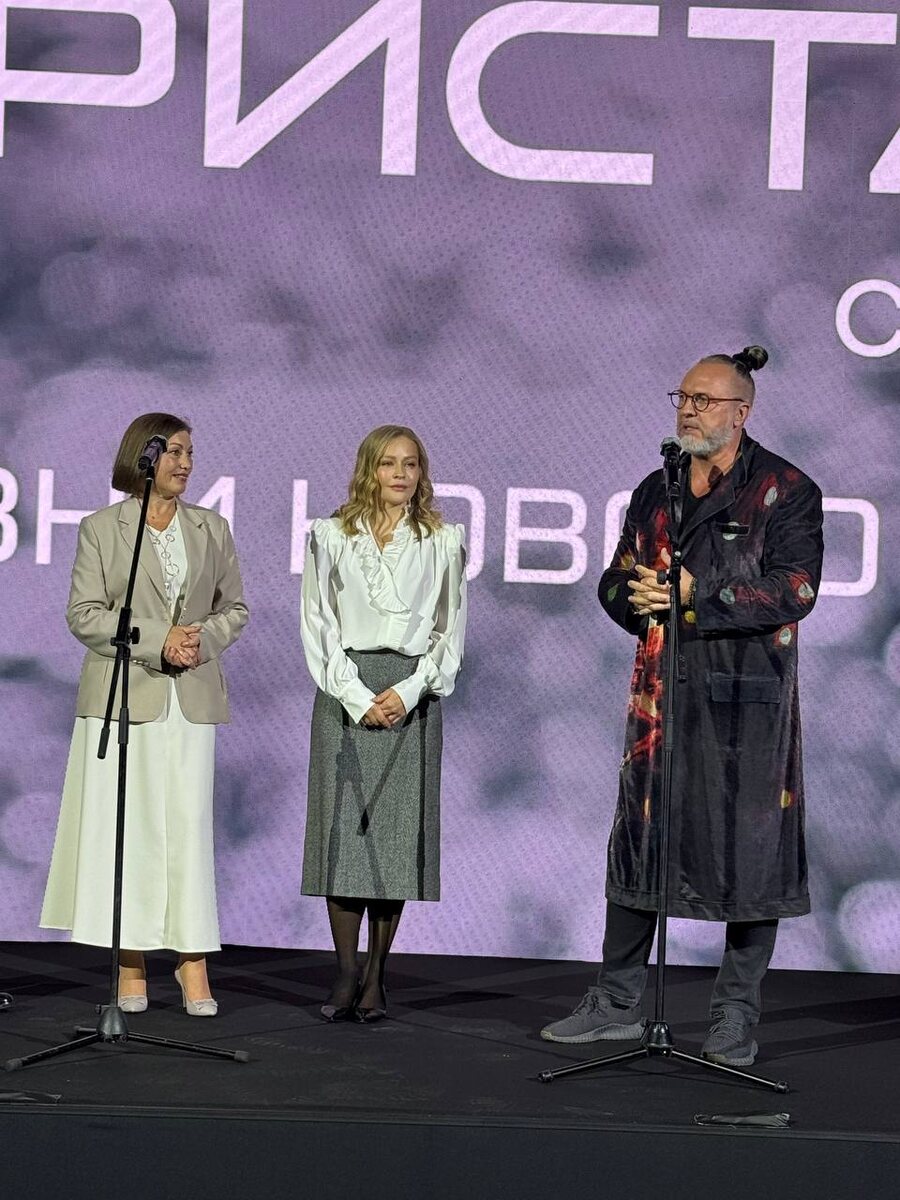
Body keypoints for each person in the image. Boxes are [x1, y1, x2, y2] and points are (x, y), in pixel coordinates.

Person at [541, 346, 824, 1065]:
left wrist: (699, 596)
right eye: (683, 398)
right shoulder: (655, 489)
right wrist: (635, 599)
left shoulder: (786, 489)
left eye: (705, 400)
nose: (689, 410)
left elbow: (796, 590)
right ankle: (616, 1003)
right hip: (661, 698)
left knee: (749, 854)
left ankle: (734, 1016)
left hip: (744, 704)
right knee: (642, 838)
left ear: (742, 411)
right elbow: (615, 578)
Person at [41, 414, 249, 1016]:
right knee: (127, 831)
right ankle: (130, 961)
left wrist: (198, 642)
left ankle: (192, 960)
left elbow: (235, 609)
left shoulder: (211, 527)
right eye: (174, 451)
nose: (185, 463)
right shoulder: (103, 529)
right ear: (145, 456)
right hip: (122, 698)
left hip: (191, 697)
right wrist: (159, 639)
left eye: (190, 452)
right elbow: (85, 614)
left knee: (186, 828)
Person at [300, 425, 467, 1023]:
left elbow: (450, 629)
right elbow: (317, 620)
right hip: (345, 688)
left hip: (409, 692)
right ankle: (346, 972)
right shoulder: (329, 535)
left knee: (393, 843)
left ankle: (376, 976)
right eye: (388, 463)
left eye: (411, 464)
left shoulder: (443, 540)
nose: (400, 474)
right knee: (344, 838)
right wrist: (354, 694)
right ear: (368, 469)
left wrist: (409, 689)